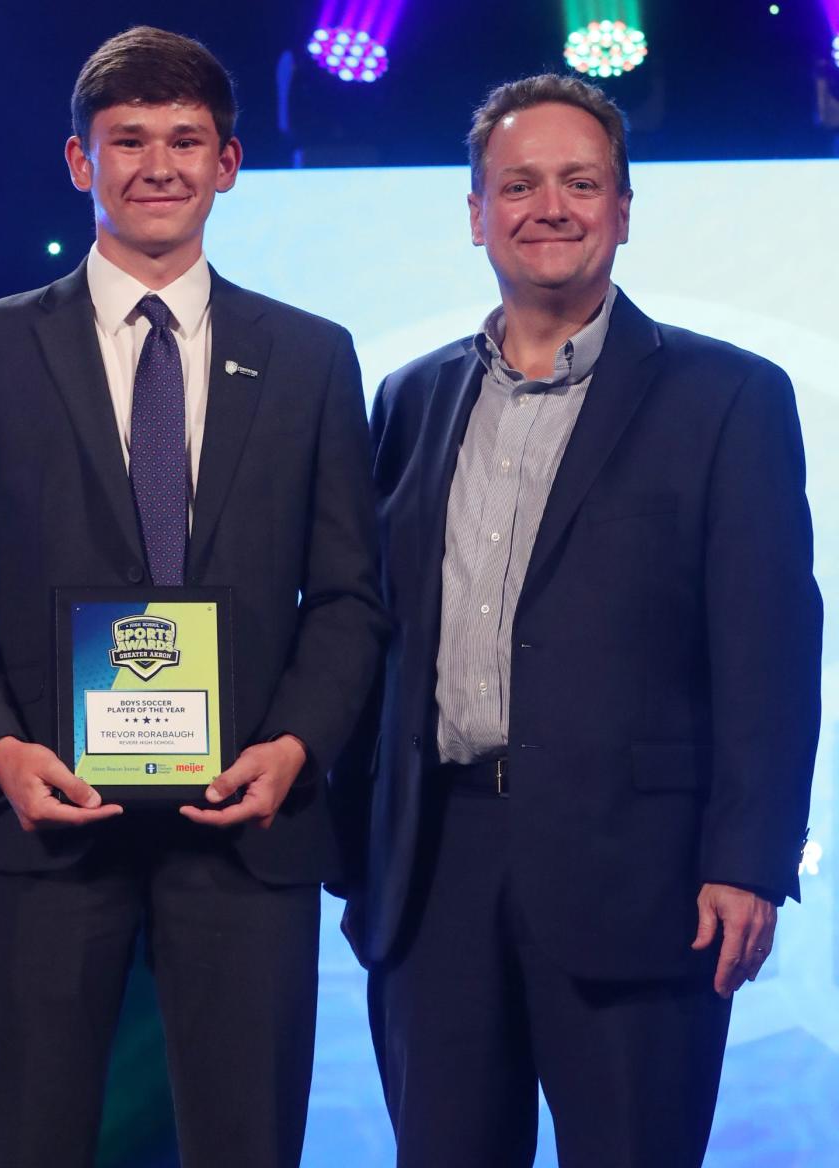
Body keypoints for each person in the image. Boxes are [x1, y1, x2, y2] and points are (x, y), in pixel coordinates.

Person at [0, 25, 384, 1168]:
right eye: (127, 140)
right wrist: (0, 751)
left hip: (245, 821)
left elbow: (353, 595)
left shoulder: (313, 355)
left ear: (229, 163)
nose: (157, 164)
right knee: (28, 1142)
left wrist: (299, 744)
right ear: (82, 163)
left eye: (184, 138)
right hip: (44, 819)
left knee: (247, 1144)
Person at [334, 74, 821, 1168]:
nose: (549, 206)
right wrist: (350, 846)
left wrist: (747, 855)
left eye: (579, 181)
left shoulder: (729, 398)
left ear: (624, 207)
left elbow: (772, 648)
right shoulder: (408, 402)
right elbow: (370, 632)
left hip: (643, 879)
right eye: (518, 184)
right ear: (475, 215)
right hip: (433, 876)